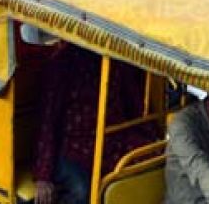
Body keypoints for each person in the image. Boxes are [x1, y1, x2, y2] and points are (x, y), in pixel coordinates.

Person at [34, 44, 156, 204]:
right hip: (73, 148)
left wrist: (152, 135)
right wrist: (43, 176)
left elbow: (132, 103)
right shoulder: (61, 65)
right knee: (83, 191)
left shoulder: (117, 59)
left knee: (152, 160)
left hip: (115, 139)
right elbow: (48, 122)